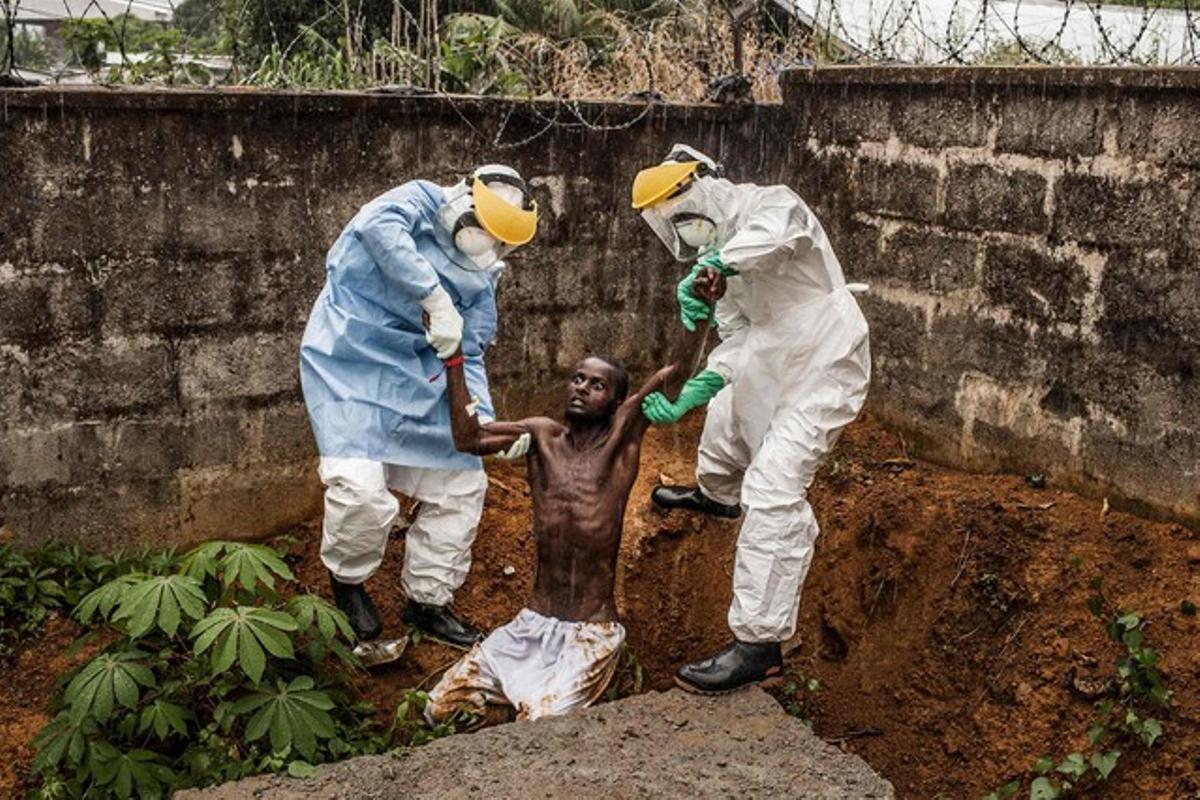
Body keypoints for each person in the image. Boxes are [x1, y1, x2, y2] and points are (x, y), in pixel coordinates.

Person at [422, 269, 726, 723]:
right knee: (439, 709)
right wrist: (452, 359)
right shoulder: (542, 437)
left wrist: (698, 312)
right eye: (577, 378)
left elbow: (676, 373)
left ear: (616, 400)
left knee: (542, 726)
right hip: (531, 624)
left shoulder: (621, 440)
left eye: (596, 384)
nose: (581, 387)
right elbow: (468, 439)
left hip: (589, 632)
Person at [631, 144, 871, 694]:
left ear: (705, 186)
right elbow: (737, 338)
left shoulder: (772, 206)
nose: (685, 231)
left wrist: (719, 263)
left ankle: (760, 646)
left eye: (684, 214)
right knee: (725, 418)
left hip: (826, 356)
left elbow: (776, 236)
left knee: (774, 486)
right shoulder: (717, 261)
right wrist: (697, 389)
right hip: (767, 353)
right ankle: (716, 495)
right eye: (671, 225)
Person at [299, 165, 539, 650]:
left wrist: (482, 418)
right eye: (483, 228)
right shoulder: (417, 201)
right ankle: (348, 584)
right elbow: (375, 229)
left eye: (497, 239)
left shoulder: (482, 273)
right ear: (464, 203)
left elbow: (469, 352)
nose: (484, 242)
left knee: (463, 486)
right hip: (349, 360)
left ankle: (428, 600)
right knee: (360, 492)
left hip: (418, 373)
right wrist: (434, 297)